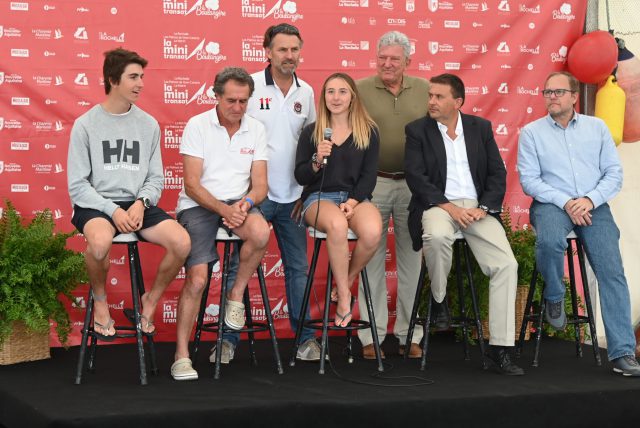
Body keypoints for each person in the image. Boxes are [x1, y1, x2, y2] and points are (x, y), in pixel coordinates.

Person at [517, 71, 640, 376]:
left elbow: (614, 174)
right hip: (552, 204)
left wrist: (589, 199)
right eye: (547, 92)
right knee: (548, 241)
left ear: (574, 96)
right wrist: (566, 202)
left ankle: (623, 353)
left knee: (612, 273)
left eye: (558, 91)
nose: (552, 97)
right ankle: (555, 296)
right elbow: (529, 180)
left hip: (593, 206)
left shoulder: (597, 128)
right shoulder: (531, 133)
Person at [213, 23, 319, 364]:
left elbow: (312, 145)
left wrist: (307, 191)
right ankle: (227, 340)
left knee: (298, 270)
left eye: (294, 49)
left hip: (294, 197)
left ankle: (305, 340)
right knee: (237, 268)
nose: (289, 55)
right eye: (282, 49)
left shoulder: (307, 93)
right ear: (267, 51)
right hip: (253, 196)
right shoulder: (251, 87)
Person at [67, 48, 190, 341]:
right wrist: (113, 211)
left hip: (137, 203)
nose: (140, 83)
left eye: (141, 77)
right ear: (113, 79)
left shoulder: (148, 124)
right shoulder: (85, 124)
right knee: (99, 244)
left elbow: (156, 178)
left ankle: (149, 300)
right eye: (133, 77)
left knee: (182, 242)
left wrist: (141, 202)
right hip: (96, 203)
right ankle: (100, 303)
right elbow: (78, 185)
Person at [405, 73, 524, 376]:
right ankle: (439, 300)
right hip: (438, 205)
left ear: (457, 102)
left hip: (476, 209)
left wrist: (484, 208)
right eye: (430, 95)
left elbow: (497, 174)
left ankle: (500, 349)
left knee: (506, 265)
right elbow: (417, 178)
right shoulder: (418, 130)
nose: (431, 101)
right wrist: (449, 208)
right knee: (436, 235)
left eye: (438, 97)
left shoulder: (480, 128)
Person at [171, 67, 270, 380]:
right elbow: (192, 185)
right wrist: (224, 210)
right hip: (199, 206)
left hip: (237, 204)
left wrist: (246, 204)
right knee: (198, 279)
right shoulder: (198, 125)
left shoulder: (255, 129)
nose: (237, 107)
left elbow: (260, 186)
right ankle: (181, 356)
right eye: (231, 100)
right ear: (216, 96)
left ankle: (235, 294)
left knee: (259, 231)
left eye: (243, 101)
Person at [356, 31, 429, 359]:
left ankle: (409, 334)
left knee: (412, 260)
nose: (387, 64)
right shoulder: (358, 89)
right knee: (369, 257)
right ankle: (369, 336)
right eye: (382, 57)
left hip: (414, 186)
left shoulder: (426, 90)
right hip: (373, 184)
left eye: (394, 59)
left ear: (408, 62)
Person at [295, 72, 382, 328]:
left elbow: (368, 177)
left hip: (355, 199)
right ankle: (344, 297)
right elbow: (300, 176)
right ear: (323, 97)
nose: (336, 97)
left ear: (352, 96)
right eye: (330, 91)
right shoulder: (312, 132)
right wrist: (316, 160)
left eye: (342, 91)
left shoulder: (369, 131)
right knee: (337, 226)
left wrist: (353, 202)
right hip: (318, 198)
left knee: (373, 231)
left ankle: (345, 280)